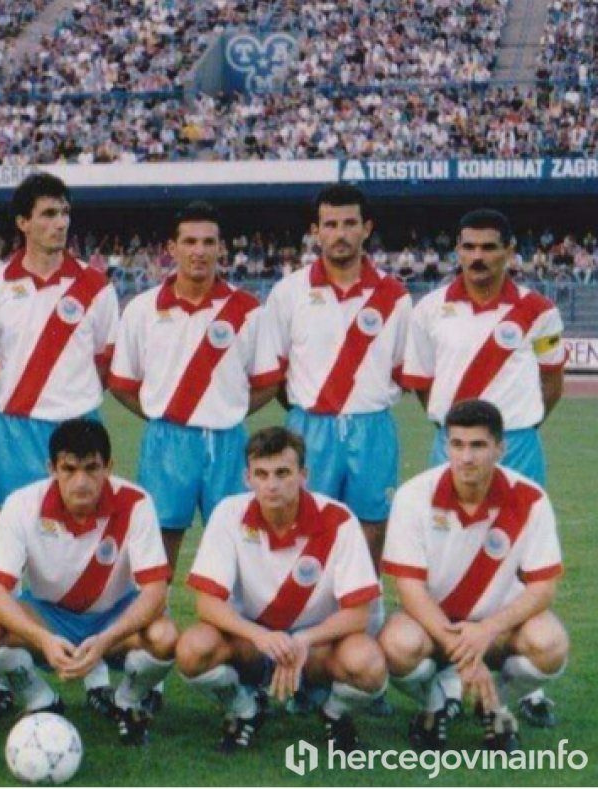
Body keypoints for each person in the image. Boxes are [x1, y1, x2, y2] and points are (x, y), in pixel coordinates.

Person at [0, 173, 120, 715]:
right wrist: (25, 398)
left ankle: (94, 664)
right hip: (15, 430)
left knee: (82, 550)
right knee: (9, 551)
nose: (59, 223)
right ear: (23, 222)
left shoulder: (96, 287)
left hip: (77, 427)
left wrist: (66, 401)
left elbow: (104, 362)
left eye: (64, 212)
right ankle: (7, 673)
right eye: (48, 214)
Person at [0, 419, 177, 746]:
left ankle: (128, 701)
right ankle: (40, 700)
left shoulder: (136, 503)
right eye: (69, 469)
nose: (81, 481)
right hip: (48, 617)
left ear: (109, 467)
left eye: (92, 468)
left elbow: (156, 591)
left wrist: (106, 639)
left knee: (165, 636)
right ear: (52, 468)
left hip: (113, 618)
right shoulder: (22, 504)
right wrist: (42, 639)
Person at [176, 427, 386, 753]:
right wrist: (260, 636)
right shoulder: (229, 514)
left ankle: (333, 712)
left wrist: (303, 640)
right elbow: (207, 604)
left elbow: (358, 615)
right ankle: (245, 710)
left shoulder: (339, 520)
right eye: (261, 474)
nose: (271, 485)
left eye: (282, 473)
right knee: (192, 648)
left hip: (316, 648)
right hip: (253, 644)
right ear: (247, 478)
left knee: (368, 664)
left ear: (304, 475)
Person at [379, 400, 567, 752]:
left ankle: (494, 705)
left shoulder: (530, 498)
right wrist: (461, 647)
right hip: (433, 626)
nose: (466, 457)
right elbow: (409, 589)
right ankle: (435, 705)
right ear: (446, 446)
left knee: (551, 643)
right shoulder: (414, 497)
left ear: (500, 449)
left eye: (478, 445)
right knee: (397, 645)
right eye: (457, 444)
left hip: (498, 628)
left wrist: (487, 630)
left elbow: (543, 588)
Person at [253, 184, 411, 595]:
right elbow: (277, 371)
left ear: (366, 228)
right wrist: (311, 406)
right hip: (310, 426)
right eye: (330, 224)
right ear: (316, 231)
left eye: (349, 223)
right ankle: (307, 605)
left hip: (372, 426)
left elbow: (402, 372)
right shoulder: (289, 292)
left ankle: (368, 608)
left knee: (372, 524)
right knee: (304, 519)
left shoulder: (394, 296)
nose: (340, 233)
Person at [109, 201, 267, 575]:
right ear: (172, 248)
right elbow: (121, 383)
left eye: (208, 242)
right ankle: (154, 610)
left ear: (221, 248)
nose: (199, 251)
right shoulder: (142, 309)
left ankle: (230, 612)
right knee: (159, 544)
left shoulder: (248, 309)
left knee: (238, 543)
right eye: (190, 242)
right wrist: (163, 413)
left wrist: (227, 410)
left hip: (228, 441)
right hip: (166, 441)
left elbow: (268, 381)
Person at [403, 209, 565, 490]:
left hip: (517, 446)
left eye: (489, 247)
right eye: (469, 247)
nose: (477, 256)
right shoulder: (428, 309)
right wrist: (454, 428)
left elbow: (552, 381)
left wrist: (519, 426)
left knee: (520, 519)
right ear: (457, 250)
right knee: (450, 519)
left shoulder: (540, 311)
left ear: (509, 251)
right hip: (452, 444)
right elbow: (422, 383)